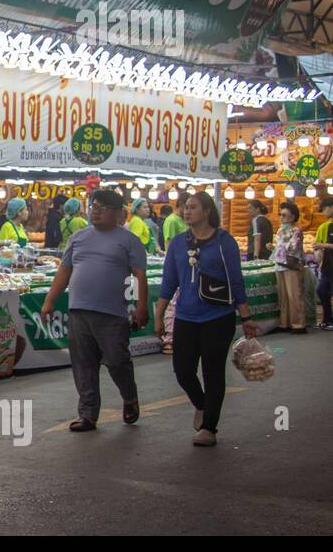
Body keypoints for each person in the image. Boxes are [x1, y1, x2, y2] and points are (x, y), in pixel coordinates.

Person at [40, 188, 147, 432]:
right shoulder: (77, 237)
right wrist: (49, 301)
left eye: (103, 208)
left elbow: (139, 277)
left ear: (119, 214)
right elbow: (64, 272)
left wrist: (141, 308)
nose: (95, 212)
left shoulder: (130, 241)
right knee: (83, 364)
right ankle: (88, 414)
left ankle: (129, 397)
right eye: (93, 207)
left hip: (112, 314)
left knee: (117, 362)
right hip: (79, 310)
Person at [156, 192, 259, 447]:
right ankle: (201, 404)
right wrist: (159, 315)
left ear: (207, 211)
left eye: (192, 207)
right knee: (183, 371)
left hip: (218, 316)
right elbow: (169, 281)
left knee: (213, 372)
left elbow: (236, 281)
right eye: (185, 207)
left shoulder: (225, 242)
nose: (186, 211)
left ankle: (209, 427)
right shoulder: (179, 243)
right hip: (186, 317)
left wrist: (245, 316)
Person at [273, 201, 307, 334]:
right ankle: (284, 323)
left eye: (284, 215)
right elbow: (279, 248)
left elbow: (293, 247)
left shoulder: (296, 230)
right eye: (280, 215)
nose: (281, 218)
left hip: (291, 266)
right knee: (283, 296)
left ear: (293, 217)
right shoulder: (281, 229)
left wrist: (283, 239)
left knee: (294, 295)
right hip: (280, 265)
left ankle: (298, 324)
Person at [312, 197, 333, 330]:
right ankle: (328, 319)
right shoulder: (328, 225)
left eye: (324, 209)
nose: (323, 213)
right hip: (328, 266)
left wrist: (322, 245)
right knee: (321, 290)